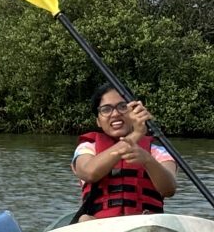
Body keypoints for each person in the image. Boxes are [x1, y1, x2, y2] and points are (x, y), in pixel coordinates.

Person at [72, 83, 177, 222]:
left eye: (122, 107)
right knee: (84, 219)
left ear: (135, 112)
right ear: (98, 120)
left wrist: (147, 160)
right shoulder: (87, 148)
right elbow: (89, 173)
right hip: (99, 226)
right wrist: (137, 134)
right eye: (106, 109)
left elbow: (169, 189)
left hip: (146, 223)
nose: (115, 114)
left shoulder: (157, 151)